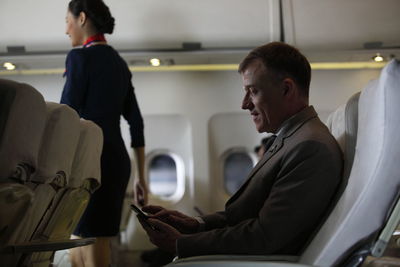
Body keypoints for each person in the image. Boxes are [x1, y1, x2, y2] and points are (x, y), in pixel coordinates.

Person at [138, 42, 343, 258]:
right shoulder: (291, 139)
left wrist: (181, 244)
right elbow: (243, 216)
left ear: (286, 89)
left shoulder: (309, 147)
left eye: (253, 91)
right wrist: (194, 225)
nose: (244, 104)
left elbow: (265, 236)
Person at [61, 0, 147, 266]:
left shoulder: (79, 58)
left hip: (89, 159)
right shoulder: (119, 64)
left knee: (85, 237)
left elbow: (66, 116)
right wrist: (141, 177)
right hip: (117, 161)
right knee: (91, 238)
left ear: (82, 18)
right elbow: (136, 122)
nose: (66, 30)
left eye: (68, 21)